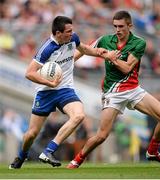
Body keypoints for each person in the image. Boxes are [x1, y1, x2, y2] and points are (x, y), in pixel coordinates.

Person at [67, 10, 160, 169]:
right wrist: (68, 62)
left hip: (133, 90)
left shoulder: (139, 43)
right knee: (102, 135)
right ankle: (77, 160)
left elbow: (127, 68)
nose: (117, 30)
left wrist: (111, 57)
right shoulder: (105, 40)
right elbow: (86, 49)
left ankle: (152, 151)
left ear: (129, 25)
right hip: (113, 93)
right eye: (115, 26)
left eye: (121, 26)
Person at [9, 16, 119, 169]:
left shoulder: (73, 38)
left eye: (71, 30)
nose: (72, 33)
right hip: (45, 92)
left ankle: (49, 151)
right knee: (32, 133)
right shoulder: (47, 48)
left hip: (65, 89)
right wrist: (50, 82)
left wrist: (103, 53)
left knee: (79, 115)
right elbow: (29, 73)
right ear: (58, 33)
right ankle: (21, 156)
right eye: (68, 31)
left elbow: (84, 49)